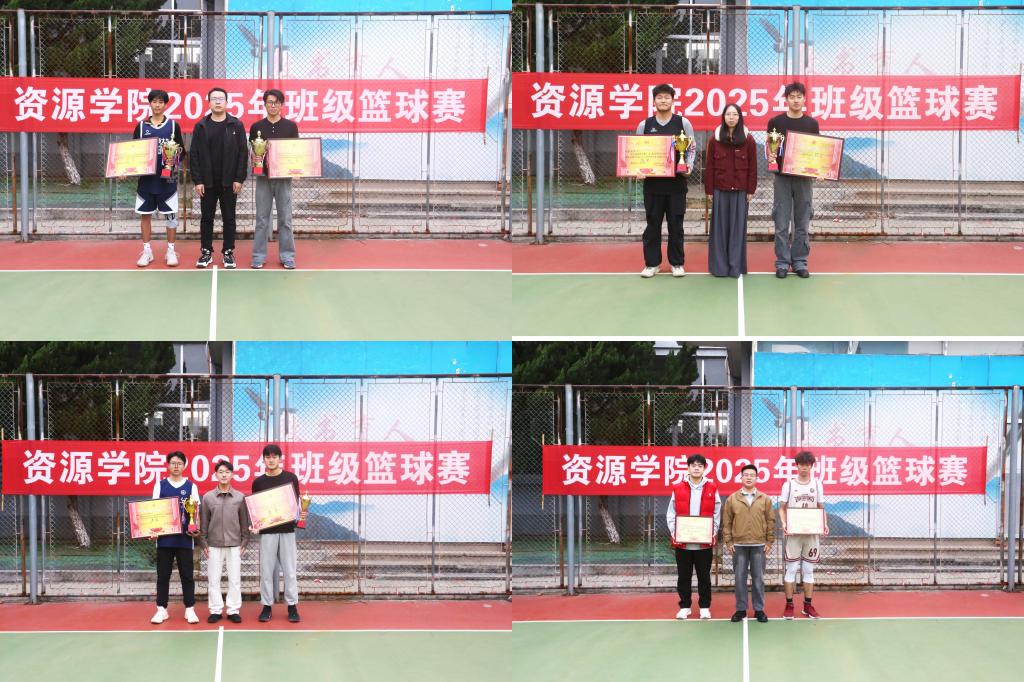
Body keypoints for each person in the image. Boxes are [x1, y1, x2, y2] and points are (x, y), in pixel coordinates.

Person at [635, 83, 697, 279]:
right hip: (652, 186)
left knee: (676, 226)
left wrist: (688, 166)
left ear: (673, 100)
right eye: (659, 97)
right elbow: (638, 151)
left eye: (666, 97)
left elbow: (691, 148)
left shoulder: (683, 123)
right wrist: (638, 169)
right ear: (654, 101)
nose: (663, 100)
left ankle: (677, 263)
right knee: (652, 226)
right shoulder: (645, 125)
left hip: (676, 185)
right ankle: (652, 264)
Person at [189, 86, 248, 269]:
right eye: (214, 99)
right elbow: (194, 154)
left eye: (221, 99)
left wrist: (239, 178)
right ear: (209, 103)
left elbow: (243, 153)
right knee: (206, 218)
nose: (217, 102)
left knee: (229, 218)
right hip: (207, 182)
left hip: (229, 182)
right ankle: (206, 252)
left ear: (227, 102)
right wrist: (198, 180)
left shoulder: (236, 125)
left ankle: (228, 252)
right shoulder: (201, 126)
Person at [766, 82, 820, 279]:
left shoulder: (812, 124)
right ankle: (782, 262)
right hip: (782, 178)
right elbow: (770, 149)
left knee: (802, 222)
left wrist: (820, 169)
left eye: (799, 97)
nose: (795, 100)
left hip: (804, 178)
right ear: (786, 99)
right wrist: (772, 158)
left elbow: (816, 150)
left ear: (804, 99)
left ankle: (799, 261)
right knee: (781, 222)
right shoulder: (775, 122)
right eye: (792, 97)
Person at [132, 89, 184, 268]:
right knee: (145, 216)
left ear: (165, 105)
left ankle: (171, 250)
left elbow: (181, 151)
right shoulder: (141, 126)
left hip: (167, 180)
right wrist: (126, 169)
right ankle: (147, 251)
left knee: (171, 216)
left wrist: (173, 160)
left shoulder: (173, 126)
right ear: (150, 104)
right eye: (154, 101)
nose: (157, 105)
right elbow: (133, 152)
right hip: (146, 180)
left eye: (161, 102)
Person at [704, 103, 757, 278]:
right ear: (724, 117)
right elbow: (709, 166)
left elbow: (753, 167)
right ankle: (719, 268)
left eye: (735, 114)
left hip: (741, 191)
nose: (731, 117)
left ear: (739, 117)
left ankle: (736, 267)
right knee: (719, 230)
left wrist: (750, 189)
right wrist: (709, 190)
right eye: (728, 114)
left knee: (737, 230)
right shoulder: (715, 139)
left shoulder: (748, 139)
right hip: (720, 189)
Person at [665, 454, 721, 619]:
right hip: (683, 543)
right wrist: (675, 531)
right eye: (693, 465)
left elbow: (717, 512)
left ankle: (704, 607)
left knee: (704, 577)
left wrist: (712, 531)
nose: (696, 468)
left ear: (704, 468)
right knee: (684, 576)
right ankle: (685, 606)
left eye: (700, 466)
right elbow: (671, 513)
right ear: (688, 468)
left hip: (704, 543)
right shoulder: (678, 487)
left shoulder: (712, 488)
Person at [249, 89, 299, 270]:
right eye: (270, 102)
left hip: (284, 178)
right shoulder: (256, 127)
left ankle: (287, 256)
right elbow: (253, 152)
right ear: (265, 104)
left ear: (281, 105)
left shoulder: (291, 126)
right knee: (262, 219)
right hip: (263, 177)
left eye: (276, 102)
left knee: (285, 218)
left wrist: (296, 170)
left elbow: (295, 151)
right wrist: (256, 160)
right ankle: (258, 256)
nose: (273, 105)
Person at [251, 443, 302, 623]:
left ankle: (292, 606)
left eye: (274, 457)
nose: (271, 460)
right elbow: (256, 508)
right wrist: (256, 524)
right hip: (267, 533)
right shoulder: (258, 482)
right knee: (266, 571)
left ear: (280, 459)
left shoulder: (291, 478)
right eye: (268, 457)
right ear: (263, 460)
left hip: (287, 530)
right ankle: (266, 606)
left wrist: (298, 516)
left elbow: (296, 503)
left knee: (289, 571)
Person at [150, 450, 200, 625]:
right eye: (173, 463)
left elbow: (196, 511)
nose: (176, 466)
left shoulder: (191, 486)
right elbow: (153, 510)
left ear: (184, 465)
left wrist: (195, 527)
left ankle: (190, 608)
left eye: (179, 463)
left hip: (185, 539)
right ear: (168, 465)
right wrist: (152, 530)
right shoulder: (160, 485)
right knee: (163, 575)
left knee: (187, 575)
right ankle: (161, 609)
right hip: (164, 539)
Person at [722, 464, 774, 623]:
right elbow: (727, 522)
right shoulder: (732, 499)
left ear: (757, 478)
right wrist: (728, 541)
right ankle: (741, 609)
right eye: (746, 475)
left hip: (759, 545)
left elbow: (770, 520)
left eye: (752, 475)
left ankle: (759, 609)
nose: (749, 477)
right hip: (739, 545)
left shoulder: (764, 499)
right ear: (741, 477)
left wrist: (769, 541)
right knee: (739, 578)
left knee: (759, 578)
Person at [779, 450, 829, 619]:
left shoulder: (817, 484)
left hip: (811, 533)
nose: (804, 468)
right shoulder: (789, 485)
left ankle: (807, 605)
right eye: (801, 464)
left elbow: (821, 508)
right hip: (794, 533)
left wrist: (824, 524)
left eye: (807, 465)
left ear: (811, 466)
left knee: (808, 570)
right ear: (797, 465)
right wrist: (784, 523)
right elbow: (782, 508)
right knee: (791, 569)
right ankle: (789, 605)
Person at [200, 459, 249, 624]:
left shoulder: (240, 497)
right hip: (213, 545)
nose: (224, 475)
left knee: (234, 580)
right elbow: (204, 522)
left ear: (232, 475)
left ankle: (233, 609)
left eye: (227, 472)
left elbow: (244, 522)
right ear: (216, 474)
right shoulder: (208, 498)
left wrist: (244, 542)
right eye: (220, 472)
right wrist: (203, 543)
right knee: (213, 580)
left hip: (235, 544)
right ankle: (215, 610)